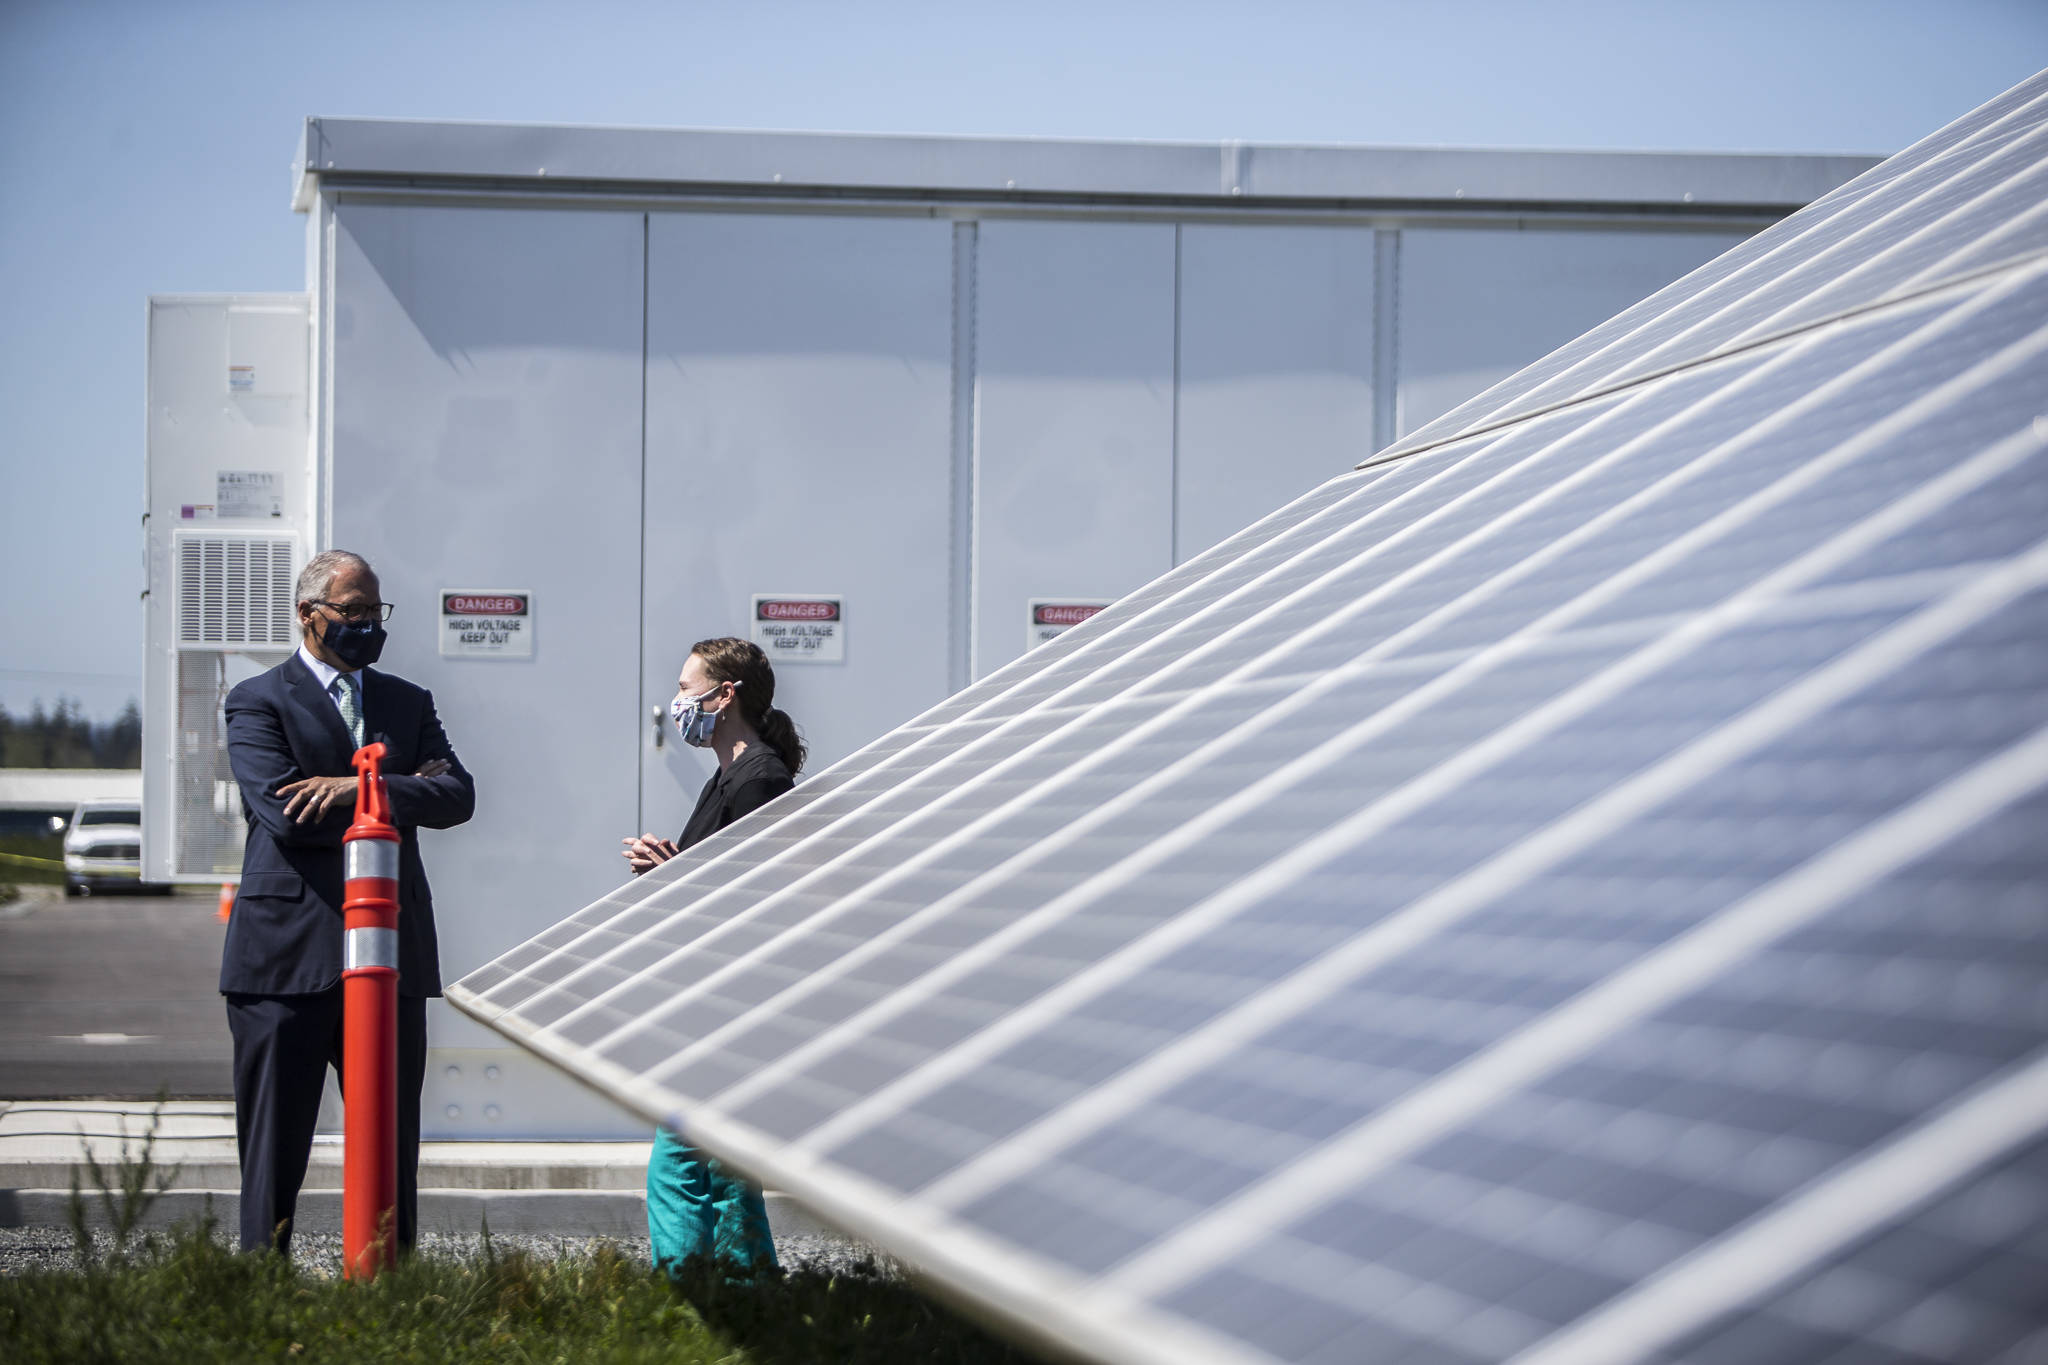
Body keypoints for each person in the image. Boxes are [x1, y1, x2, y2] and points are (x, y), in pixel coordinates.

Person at [221, 549, 475, 1257]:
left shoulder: (406, 700)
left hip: (390, 959)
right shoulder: (257, 700)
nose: (368, 624)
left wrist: (355, 788)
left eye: (375, 611)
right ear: (309, 615)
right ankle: (260, 1293)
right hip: (284, 964)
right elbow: (286, 815)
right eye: (353, 611)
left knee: (391, 1144)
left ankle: (387, 1287)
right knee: (273, 1152)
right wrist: (396, 785)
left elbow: (458, 796)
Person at [622, 636, 805, 1277]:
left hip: (730, 1000)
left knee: (682, 1153)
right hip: (712, 994)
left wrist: (676, 876)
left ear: (723, 696)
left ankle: (686, 1283)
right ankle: (742, 1283)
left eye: (684, 687)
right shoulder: (727, 778)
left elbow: (756, 901)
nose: (676, 702)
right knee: (717, 1156)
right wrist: (667, 873)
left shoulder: (761, 781)